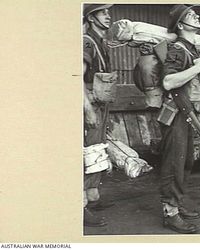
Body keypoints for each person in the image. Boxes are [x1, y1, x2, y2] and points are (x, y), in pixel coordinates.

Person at [158, 5, 200, 234]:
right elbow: (168, 82)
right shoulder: (178, 49)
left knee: (186, 161)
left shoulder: (192, 49)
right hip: (176, 114)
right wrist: (199, 67)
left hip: (187, 113)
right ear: (180, 25)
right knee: (175, 163)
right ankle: (170, 213)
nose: (197, 16)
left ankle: (176, 203)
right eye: (191, 15)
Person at [82, 4, 114, 227]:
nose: (108, 16)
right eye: (103, 13)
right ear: (91, 18)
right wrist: (87, 109)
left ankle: (92, 197)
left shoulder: (101, 42)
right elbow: (76, 77)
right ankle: (80, 207)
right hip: (88, 107)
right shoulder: (86, 41)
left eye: (108, 12)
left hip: (101, 106)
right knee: (86, 154)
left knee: (96, 150)